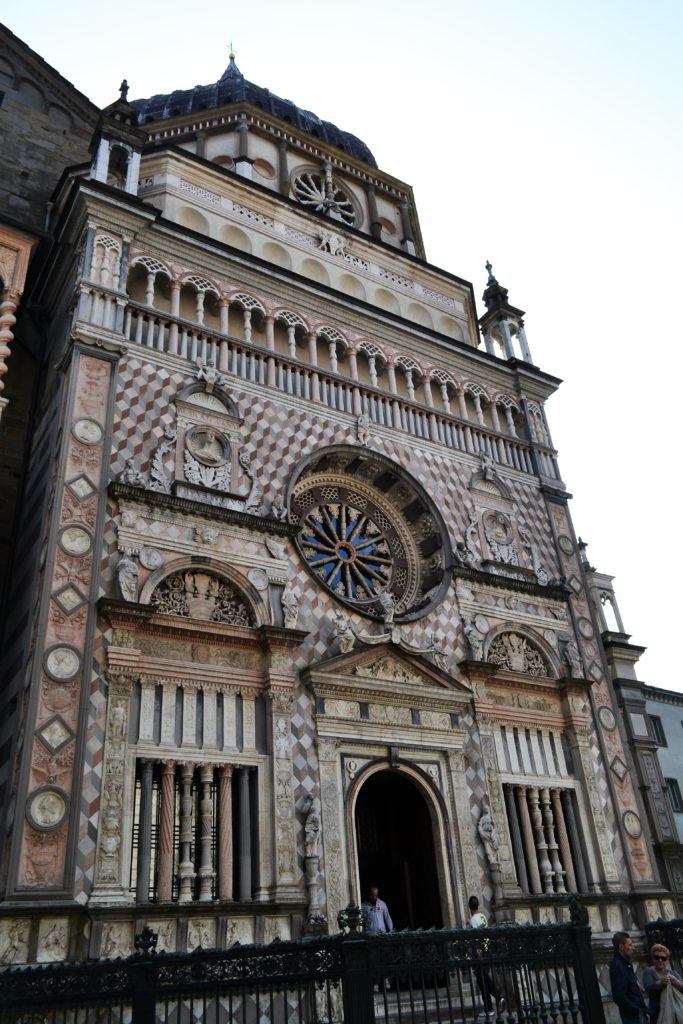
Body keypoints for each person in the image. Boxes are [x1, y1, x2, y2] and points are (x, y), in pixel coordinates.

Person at [469, 896, 505, 1017]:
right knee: (485, 979)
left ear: (469, 907)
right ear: (478, 905)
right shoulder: (483, 916)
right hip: (487, 949)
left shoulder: (473, 919)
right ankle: (498, 999)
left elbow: (477, 936)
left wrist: (478, 953)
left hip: (480, 953)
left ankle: (490, 1008)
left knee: (482, 981)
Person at [610, 931, 650, 1024]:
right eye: (630, 944)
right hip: (633, 1018)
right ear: (621, 947)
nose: (633, 948)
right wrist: (637, 1011)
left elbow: (633, 990)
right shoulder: (617, 966)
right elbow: (619, 996)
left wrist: (643, 1011)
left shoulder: (626, 963)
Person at [643, 944, 683, 1024]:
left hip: (674, 1013)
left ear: (667, 960)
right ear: (653, 958)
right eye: (657, 957)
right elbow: (648, 988)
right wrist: (660, 983)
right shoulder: (648, 971)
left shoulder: (672, 973)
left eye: (663, 958)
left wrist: (675, 982)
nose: (660, 960)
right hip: (656, 1014)